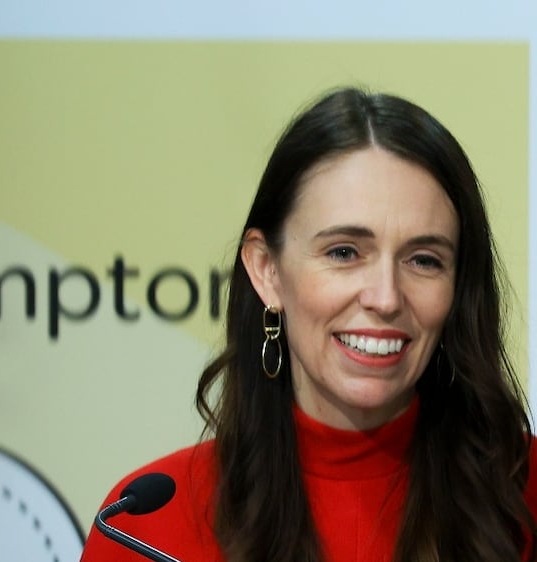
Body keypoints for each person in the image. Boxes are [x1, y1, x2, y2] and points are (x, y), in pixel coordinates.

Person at [80, 87, 537, 561]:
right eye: (344, 252)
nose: (385, 297)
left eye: (423, 260)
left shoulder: (527, 494)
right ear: (266, 270)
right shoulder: (146, 528)